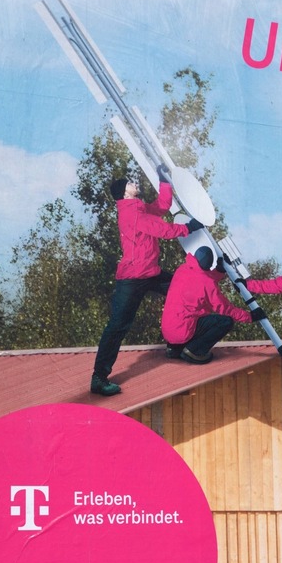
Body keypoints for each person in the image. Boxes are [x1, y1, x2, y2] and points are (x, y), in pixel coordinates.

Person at [91, 165, 193, 396]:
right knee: (117, 326)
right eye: (129, 182)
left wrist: (163, 181)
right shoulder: (131, 213)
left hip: (151, 272)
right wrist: (188, 228)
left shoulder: (139, 208)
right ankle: (98, 378)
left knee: (184, 291)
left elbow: (162, 207)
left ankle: (177, 344)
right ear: (124, 193)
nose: (134, 182)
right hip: (132, 278)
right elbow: (164, 231)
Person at [161, 245, 265, 362]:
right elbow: (226, 309)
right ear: (209, 265)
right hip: (183, 330)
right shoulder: (207, 283)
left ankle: (174, 349)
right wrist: (250, 317)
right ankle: (194, 351)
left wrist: (219, 271)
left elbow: (201, 278)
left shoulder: (182, 269)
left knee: (190, 315)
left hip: (168, 331)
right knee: (225, 321)